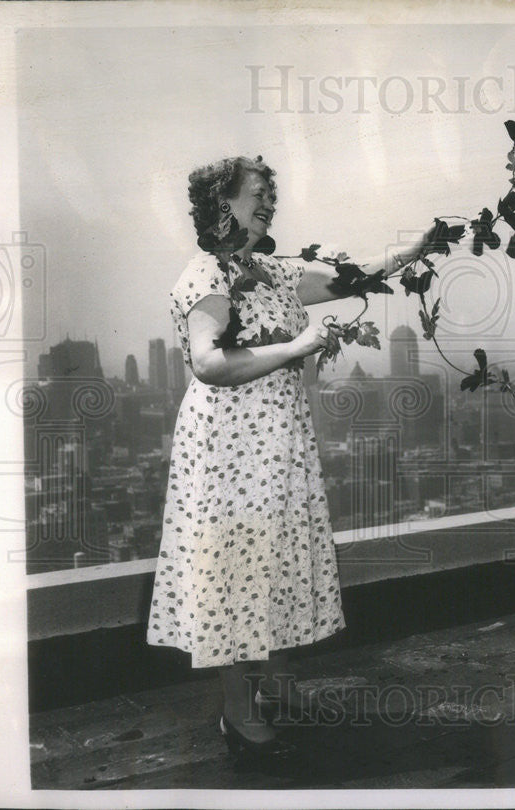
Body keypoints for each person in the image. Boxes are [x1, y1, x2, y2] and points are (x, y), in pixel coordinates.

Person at [147, 155, 431, 761]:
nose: (268, 202)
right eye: (257, 194)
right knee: (233, 568)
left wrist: (416, 248)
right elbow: (209, 362)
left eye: (270, 195)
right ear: (221, 204)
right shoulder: (207, 275)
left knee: (272, 554)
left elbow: (349, 279)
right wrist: (300, 344)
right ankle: (237, 710)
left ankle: (273, 682)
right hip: (228, 447)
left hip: (275, 440)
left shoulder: (270, 271)